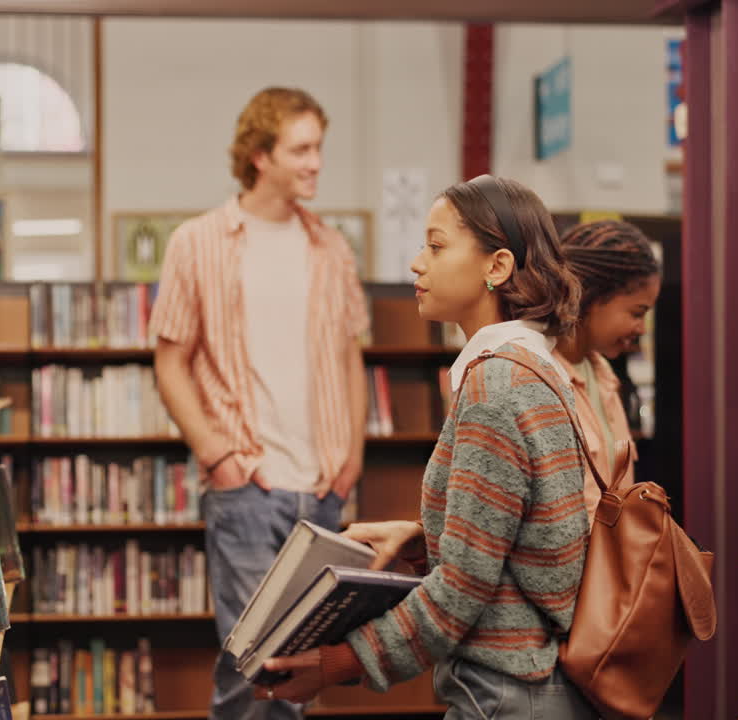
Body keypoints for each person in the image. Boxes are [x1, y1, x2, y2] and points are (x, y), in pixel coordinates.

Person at [253, 174, 597, 719]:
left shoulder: (495, 389)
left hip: (506, 694)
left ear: (497, 267)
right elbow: (524, 536)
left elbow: (459, 594)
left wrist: (338, 663)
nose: (417, 263)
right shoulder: (532, 369)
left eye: (436, 247)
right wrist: (426, 537)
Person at [149, 86, 369, 720]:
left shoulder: (333, 249)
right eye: (301, 149)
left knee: (299, 673)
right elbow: (170, 363)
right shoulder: (197, 242)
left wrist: (351, 456)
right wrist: (218, 455)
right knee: (256, 666)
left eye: (318, 149)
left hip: (322, 489)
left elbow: (348, 360)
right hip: (246, 486)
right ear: (260, 155)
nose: (315, 163)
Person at [554, 220, 661, 515]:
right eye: (636, 313)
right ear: (593, 297)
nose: (641, 328)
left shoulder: (605, 376)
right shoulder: (541, 380)